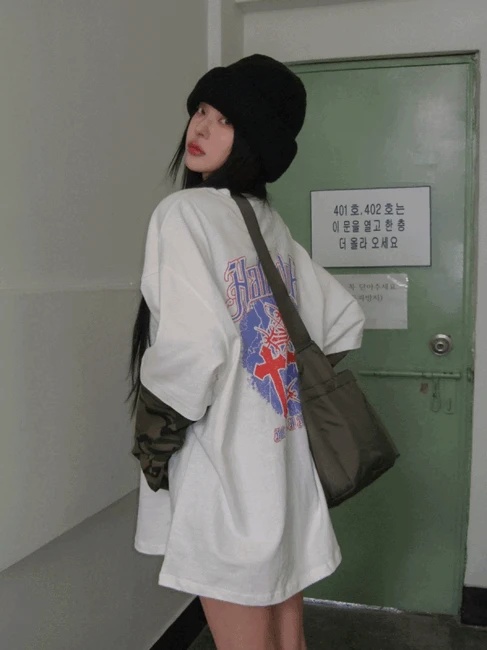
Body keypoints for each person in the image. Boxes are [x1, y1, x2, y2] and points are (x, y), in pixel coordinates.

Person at [129, 54, 365, 650]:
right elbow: (341, 320)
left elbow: (193, 350)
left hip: (225, 477)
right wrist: (275, 386)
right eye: (201, 110)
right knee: (287, 639)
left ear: (254, 140)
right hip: (283, 468)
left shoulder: (184, 214)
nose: (200, 128)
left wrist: (153, 443)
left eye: (225, 120)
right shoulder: (268, 224)